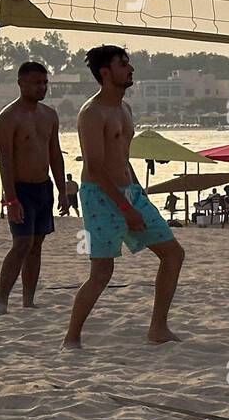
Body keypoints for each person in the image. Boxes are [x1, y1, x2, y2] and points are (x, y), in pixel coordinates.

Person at [66, 46, 184, 348]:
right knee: (102, 272)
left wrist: (137, 195)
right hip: (99, 196)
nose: (130, 69)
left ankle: (158, 328)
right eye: (123, 64)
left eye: (129, 63)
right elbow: (95, 166)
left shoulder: (125, 109)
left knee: (173, 254)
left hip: (129, 191)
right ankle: (72, 337)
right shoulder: (92, 113)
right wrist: (125, 208)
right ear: (105, 72)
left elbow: (123, 157)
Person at [0, 61, 68, 316]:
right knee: (21, 243)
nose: (41, 87)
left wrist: (62, 189)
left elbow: (55, 154)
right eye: (36, 83)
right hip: (20, 188)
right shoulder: (9, 117)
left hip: (43, 187)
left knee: (37, 244)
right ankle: (2, 300)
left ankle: (28, 300)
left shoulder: (49, 115)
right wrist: (11, 200)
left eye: (44, 83)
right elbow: (4, 159)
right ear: (21, 83)